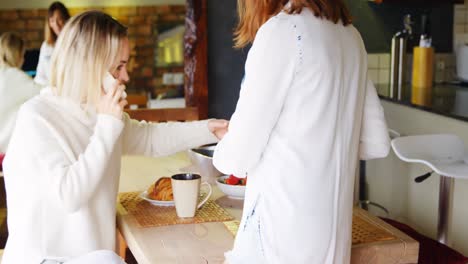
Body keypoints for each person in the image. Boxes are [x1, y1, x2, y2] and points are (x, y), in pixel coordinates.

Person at [2, 11, 228, 264]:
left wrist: (209, 129)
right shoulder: (37, 117)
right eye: (118, 67)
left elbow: (150, 138)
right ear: (90, 67)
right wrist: (107, 125)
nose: (126, 77)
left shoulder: (95, 112)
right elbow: (70, 196)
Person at [213, 0, 390, 263]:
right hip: (333, 243)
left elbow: (236, 159)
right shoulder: (351, 36)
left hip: (279, 240)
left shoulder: (283, 32)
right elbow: (377, 143)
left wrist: (227, 143)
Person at [0, 32, 41, 154]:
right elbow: (45, 93)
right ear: (17, 54)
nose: (23, 59)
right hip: (6, 151)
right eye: (23, 55)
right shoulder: (17, 77)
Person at [34, 1, 70, 86]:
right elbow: (40, 75)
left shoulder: (76, 43)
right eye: (52, 20)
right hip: (49, 90)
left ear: (66, 19)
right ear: (49, 23)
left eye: (59, 19)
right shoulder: (46, 46)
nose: (56, 25)